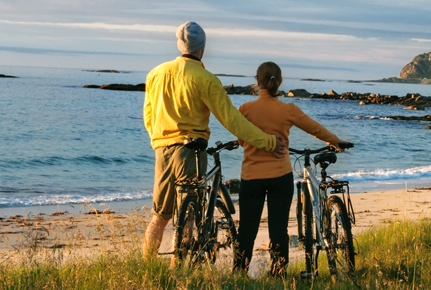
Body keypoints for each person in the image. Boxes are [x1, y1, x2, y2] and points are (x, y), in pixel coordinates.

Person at [141, 21, 281, 262]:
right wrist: (267, 141)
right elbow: (232, 120)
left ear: (179, 44)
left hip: (162, 150)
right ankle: (179, 271)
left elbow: (149, 115)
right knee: (189, 216)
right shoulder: (205, 78)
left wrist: (159, 141)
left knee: (159, 215)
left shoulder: (156, 73)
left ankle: (145, 267)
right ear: (202, 48)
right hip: (191, 152)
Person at [234, 61, 352, 276]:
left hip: (251, 177)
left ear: (257, 82)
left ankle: (238, 275)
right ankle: (278, 274)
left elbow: (242, 140)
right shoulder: (288, 109)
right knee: (278, 228)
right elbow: (314, 128)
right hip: (280, 176)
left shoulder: (245, 110)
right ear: (279, 82)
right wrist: (335, 141)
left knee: (247, 229)